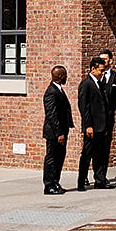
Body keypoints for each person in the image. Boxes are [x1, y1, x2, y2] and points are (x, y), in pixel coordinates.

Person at [77, 56, 113, 190]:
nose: (103, 73)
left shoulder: (100, 83)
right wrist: (88, 125)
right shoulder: (86, 84)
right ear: (93, 69)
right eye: (101, 70)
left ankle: (100, 180)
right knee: (87, 154)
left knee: (100, 155)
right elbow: (84, 106)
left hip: (102, 126)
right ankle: (81, 181)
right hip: (92, 127)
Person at [42, 64, 73, 195]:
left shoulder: (58, 89)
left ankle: (55, 182)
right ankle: (49, 184)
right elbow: (52, 114)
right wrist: (59, 132)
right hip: (54, 133)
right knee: (52, 158)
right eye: (65, 75)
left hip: (62, 130)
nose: (67, 77)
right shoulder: (51, 91)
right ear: (60, 76)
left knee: (59, 157)